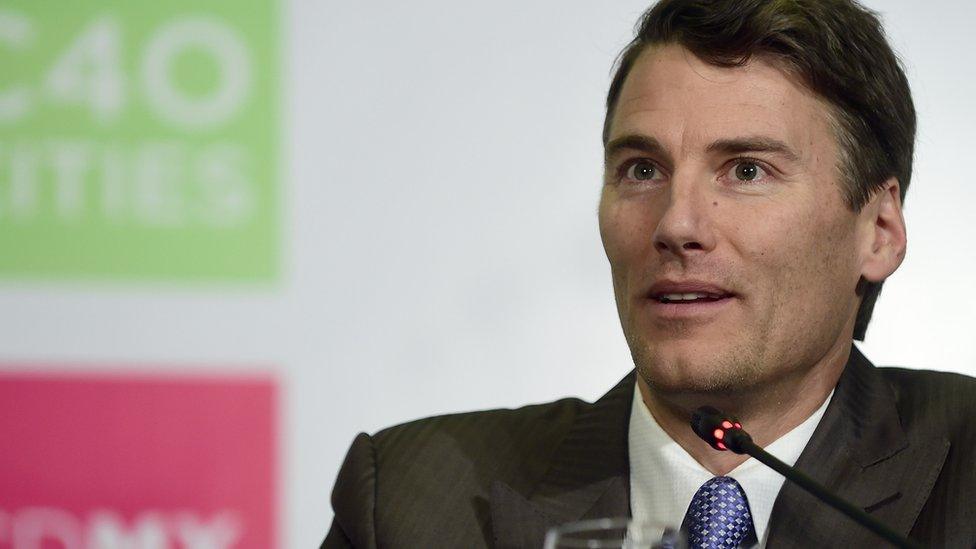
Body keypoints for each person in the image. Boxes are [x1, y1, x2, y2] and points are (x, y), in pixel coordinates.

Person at [322, 0, 976, 547]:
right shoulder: (412, 505)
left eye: (746, 170)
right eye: (641, 169)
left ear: (879, 232)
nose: (676, 224)